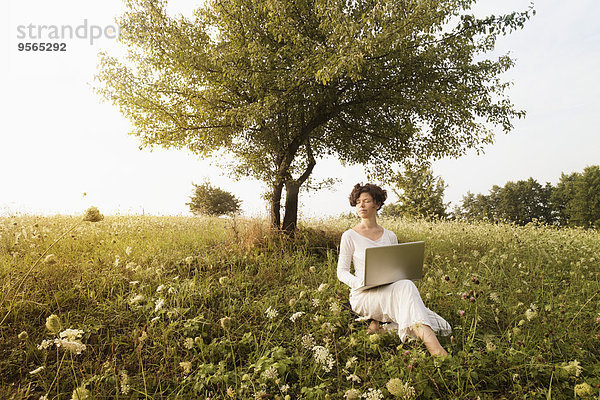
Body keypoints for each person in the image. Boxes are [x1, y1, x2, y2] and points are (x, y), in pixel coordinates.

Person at [337, 183, 451, 356]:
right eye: (358, 201)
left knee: (444, 327)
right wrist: (359, 282)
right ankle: (436, 351)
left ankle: (383, 328)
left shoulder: (390, 236)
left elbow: (396, 269)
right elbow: (342, 272)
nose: (361, 205)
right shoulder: (350, 236)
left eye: (366, 201)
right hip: (364, 295)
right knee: (406, 287)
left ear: (377, 204)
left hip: (392, 291)